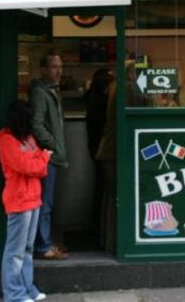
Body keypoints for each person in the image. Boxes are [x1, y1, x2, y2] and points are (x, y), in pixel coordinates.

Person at [0, 101, 51, 302]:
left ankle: (27, 288)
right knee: (15, 251)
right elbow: (29, 166)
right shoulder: (7, 141)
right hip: (19, 200)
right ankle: (14, 294)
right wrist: (43, 158)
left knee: (26, 249)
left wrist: (38, 160)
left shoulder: (27, 138)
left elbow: (33, 164)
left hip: (33, 198)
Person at [29, 51, 70, 260]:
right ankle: (43, 246)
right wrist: (53, 145)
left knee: (47, 202)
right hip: (48, 157)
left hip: (52, 155)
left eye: (60, 66)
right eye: (54, 67)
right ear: (43, 69)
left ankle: (45, 243)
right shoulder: (40, 93)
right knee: (45, 203)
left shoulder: (52, 91)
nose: (59, 71)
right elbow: (36, 124)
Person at [83, 68, 114, 245]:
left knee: (102, 188)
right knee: (105, 189)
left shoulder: (91, 99)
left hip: (96, 148)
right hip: (104, 150)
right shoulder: (102, 103)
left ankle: (98, 226)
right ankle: (101, 228)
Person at [95, 80, 118, 254]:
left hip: (107, 150)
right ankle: (112, 242)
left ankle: (108, 241)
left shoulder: (114, 88)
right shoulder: (127, 88)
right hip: (113, 151)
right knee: (115, 197)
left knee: (110, 197)